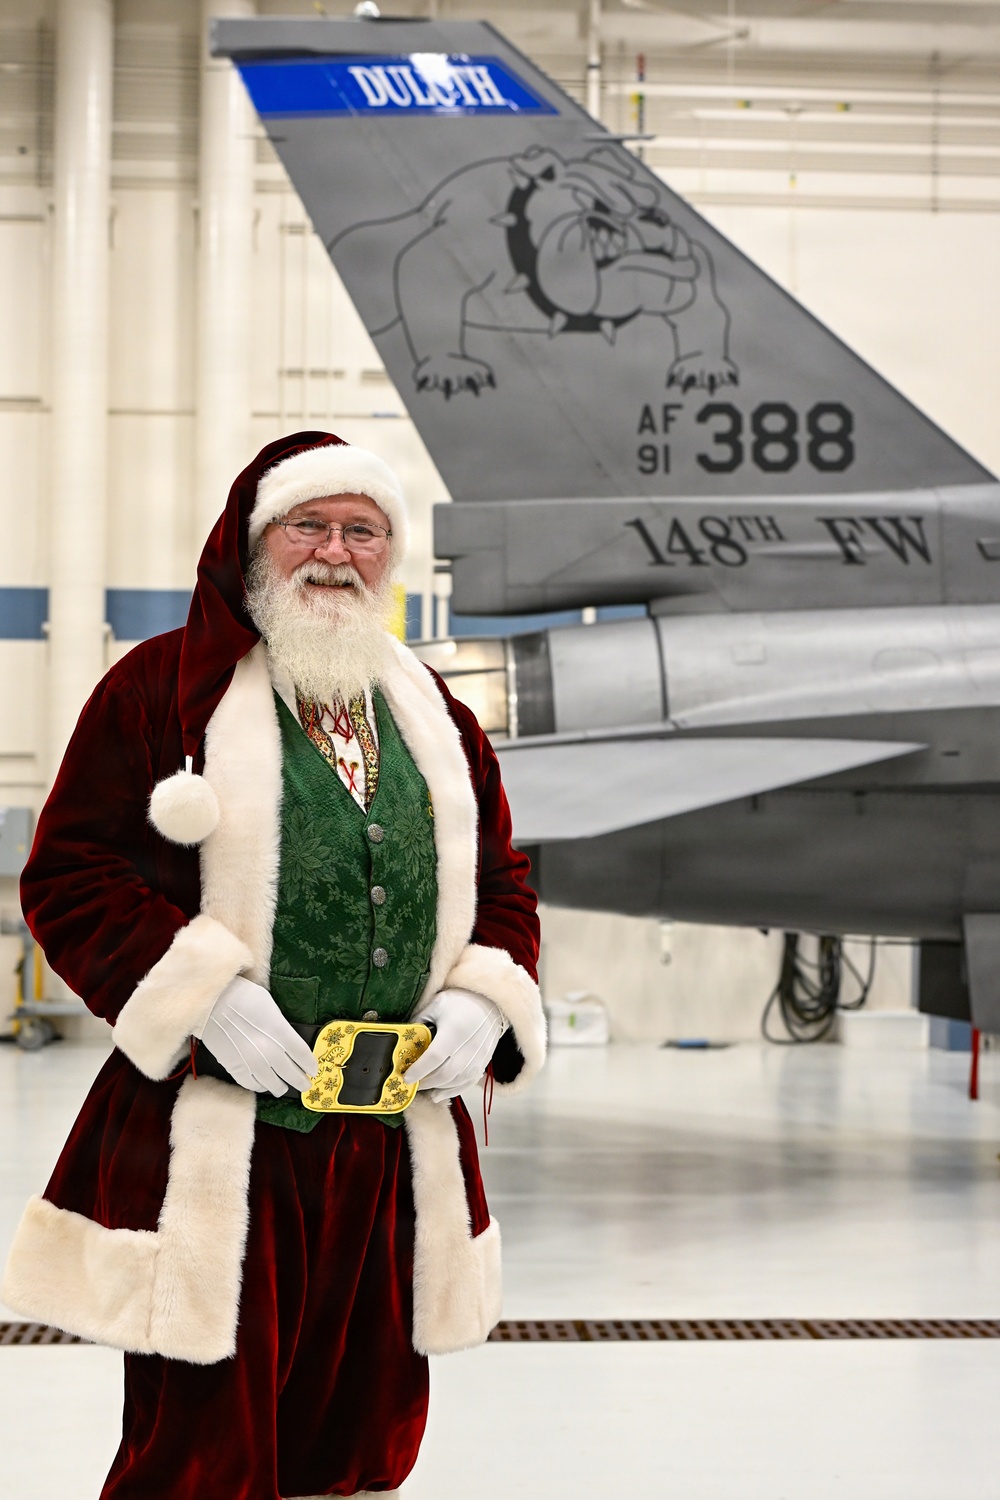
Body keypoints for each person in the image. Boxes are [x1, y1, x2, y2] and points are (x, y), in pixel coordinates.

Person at [3, 431, 545, 1500]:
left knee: (359, 1443)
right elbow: (70, 873)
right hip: (219, 1137)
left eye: (362, 530)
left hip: (390, 1148)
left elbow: (502, 882)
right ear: (255, 542)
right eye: (309, 524)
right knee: (201, 1452)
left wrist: (483, 1005)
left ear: (391, 555)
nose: (334, 552)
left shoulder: (436, 713)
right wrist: (207, 998)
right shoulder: (161, 688)